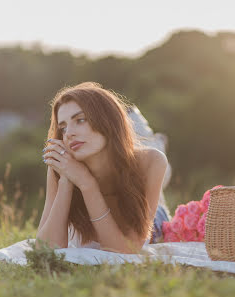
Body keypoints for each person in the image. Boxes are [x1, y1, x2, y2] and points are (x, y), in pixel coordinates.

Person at [37, 82, 169, 254]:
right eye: (63, 127)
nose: (69, 133)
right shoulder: (62, 166)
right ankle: (144, 134)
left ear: (106, 121)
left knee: (159, 163)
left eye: (80, 120)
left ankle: (152, 138)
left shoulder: (152, 161)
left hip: (154, 218)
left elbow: (125, 251)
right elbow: (45, 249)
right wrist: (67, 180)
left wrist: (87, 184)